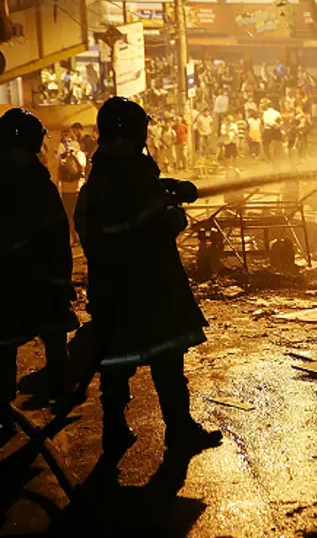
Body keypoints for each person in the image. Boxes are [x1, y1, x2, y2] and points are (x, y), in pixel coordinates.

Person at [74, 97, 222, 457]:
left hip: (112, 288)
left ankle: (115, 430)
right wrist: (176, 217)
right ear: (138, 133)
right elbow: (150, 223)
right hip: (150, 287)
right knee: (168, 360)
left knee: (116, 362)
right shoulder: (130, 173)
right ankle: (180, 429)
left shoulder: (105, 170)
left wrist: (169, 187)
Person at [0, 109, 78, 440]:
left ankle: (9, 411)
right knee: (38, 340)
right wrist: (61, 280)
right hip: (33, 281)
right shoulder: (35, 182)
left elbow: (57, 234)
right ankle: (46, 403)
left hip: (21, 281)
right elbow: (57, 235)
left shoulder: (31, 179)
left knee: (11, 344)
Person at [57, 133, 86, 244]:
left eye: (69, 141)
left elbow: (81, 168)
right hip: (66, 189)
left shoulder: (79, 154)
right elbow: (58, 171)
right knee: (69, 214)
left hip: (78, 188)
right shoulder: (62, 156)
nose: (67, 144)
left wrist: (73, 155)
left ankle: (81, 235)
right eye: (65, 142)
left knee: (79, 213)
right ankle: (74, 237)